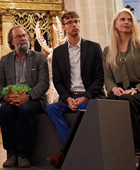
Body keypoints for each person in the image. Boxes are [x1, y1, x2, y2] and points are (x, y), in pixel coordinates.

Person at [45, 11, 105, 169]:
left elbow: (100, 78)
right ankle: (72, 149)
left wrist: (85, 97)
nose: (74, 25)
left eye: (76, 21)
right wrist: (67, 98)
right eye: (70, 22)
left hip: (89, 97)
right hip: (70, 97)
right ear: (64, 27)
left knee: (85, 110)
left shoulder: (93, 48)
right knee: (51, 109)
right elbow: (57, 81)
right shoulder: (58, 52)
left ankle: (64, 152)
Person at [103, 8, 140, 168]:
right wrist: (113, 88)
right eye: (122, 19)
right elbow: (108, 78)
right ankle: (112, 150)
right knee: (109, 102)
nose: (126, 22)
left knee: (127, 99)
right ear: (115, 24)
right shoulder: (108, 51)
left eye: (129, 19)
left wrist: (137, 89)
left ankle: (136, 150)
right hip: (120, 92)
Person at [0, 25, 49, 168]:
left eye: (24, 36)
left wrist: (29, 96)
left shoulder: (39, 58)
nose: (23, 39)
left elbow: (43, 83)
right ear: (12, 42)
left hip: (34, 100)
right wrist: (6, 97)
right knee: (4, 110)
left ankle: (23, 155)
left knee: (25, 109)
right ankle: (11, 154)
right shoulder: (5, 60)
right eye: (18, 37)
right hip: (12, 99)